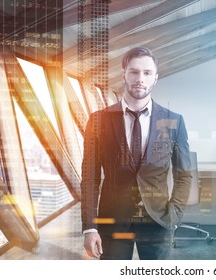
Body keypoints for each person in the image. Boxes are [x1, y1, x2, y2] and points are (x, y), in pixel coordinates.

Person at [80, 47, 192, 260]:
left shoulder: (174, 121)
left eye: (147, 73)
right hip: (112, 221)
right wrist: (89, 227)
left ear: (155, 78)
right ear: (124, 75)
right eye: (134, 72)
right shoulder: (98, 121)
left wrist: (175, 215)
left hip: (159, 220)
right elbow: (90, 178)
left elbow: (184, 174)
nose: (140, 78)